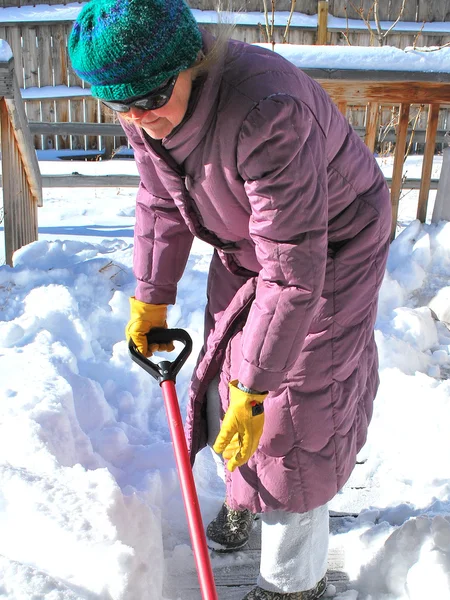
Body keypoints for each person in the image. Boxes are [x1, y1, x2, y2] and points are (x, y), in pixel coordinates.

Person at [69, 0, 391, 597]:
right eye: (121, 104)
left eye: (151, 98)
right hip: (246, 240)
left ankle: (294, 581)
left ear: (192, 61)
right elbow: (161, 200)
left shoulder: (268, 113)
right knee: (226, 373)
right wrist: (152, 298)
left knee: (293, 411)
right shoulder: (144, 104)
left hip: (334, 243)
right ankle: (246, 496)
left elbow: (294, 273)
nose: (139, 118)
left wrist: (259, 388)